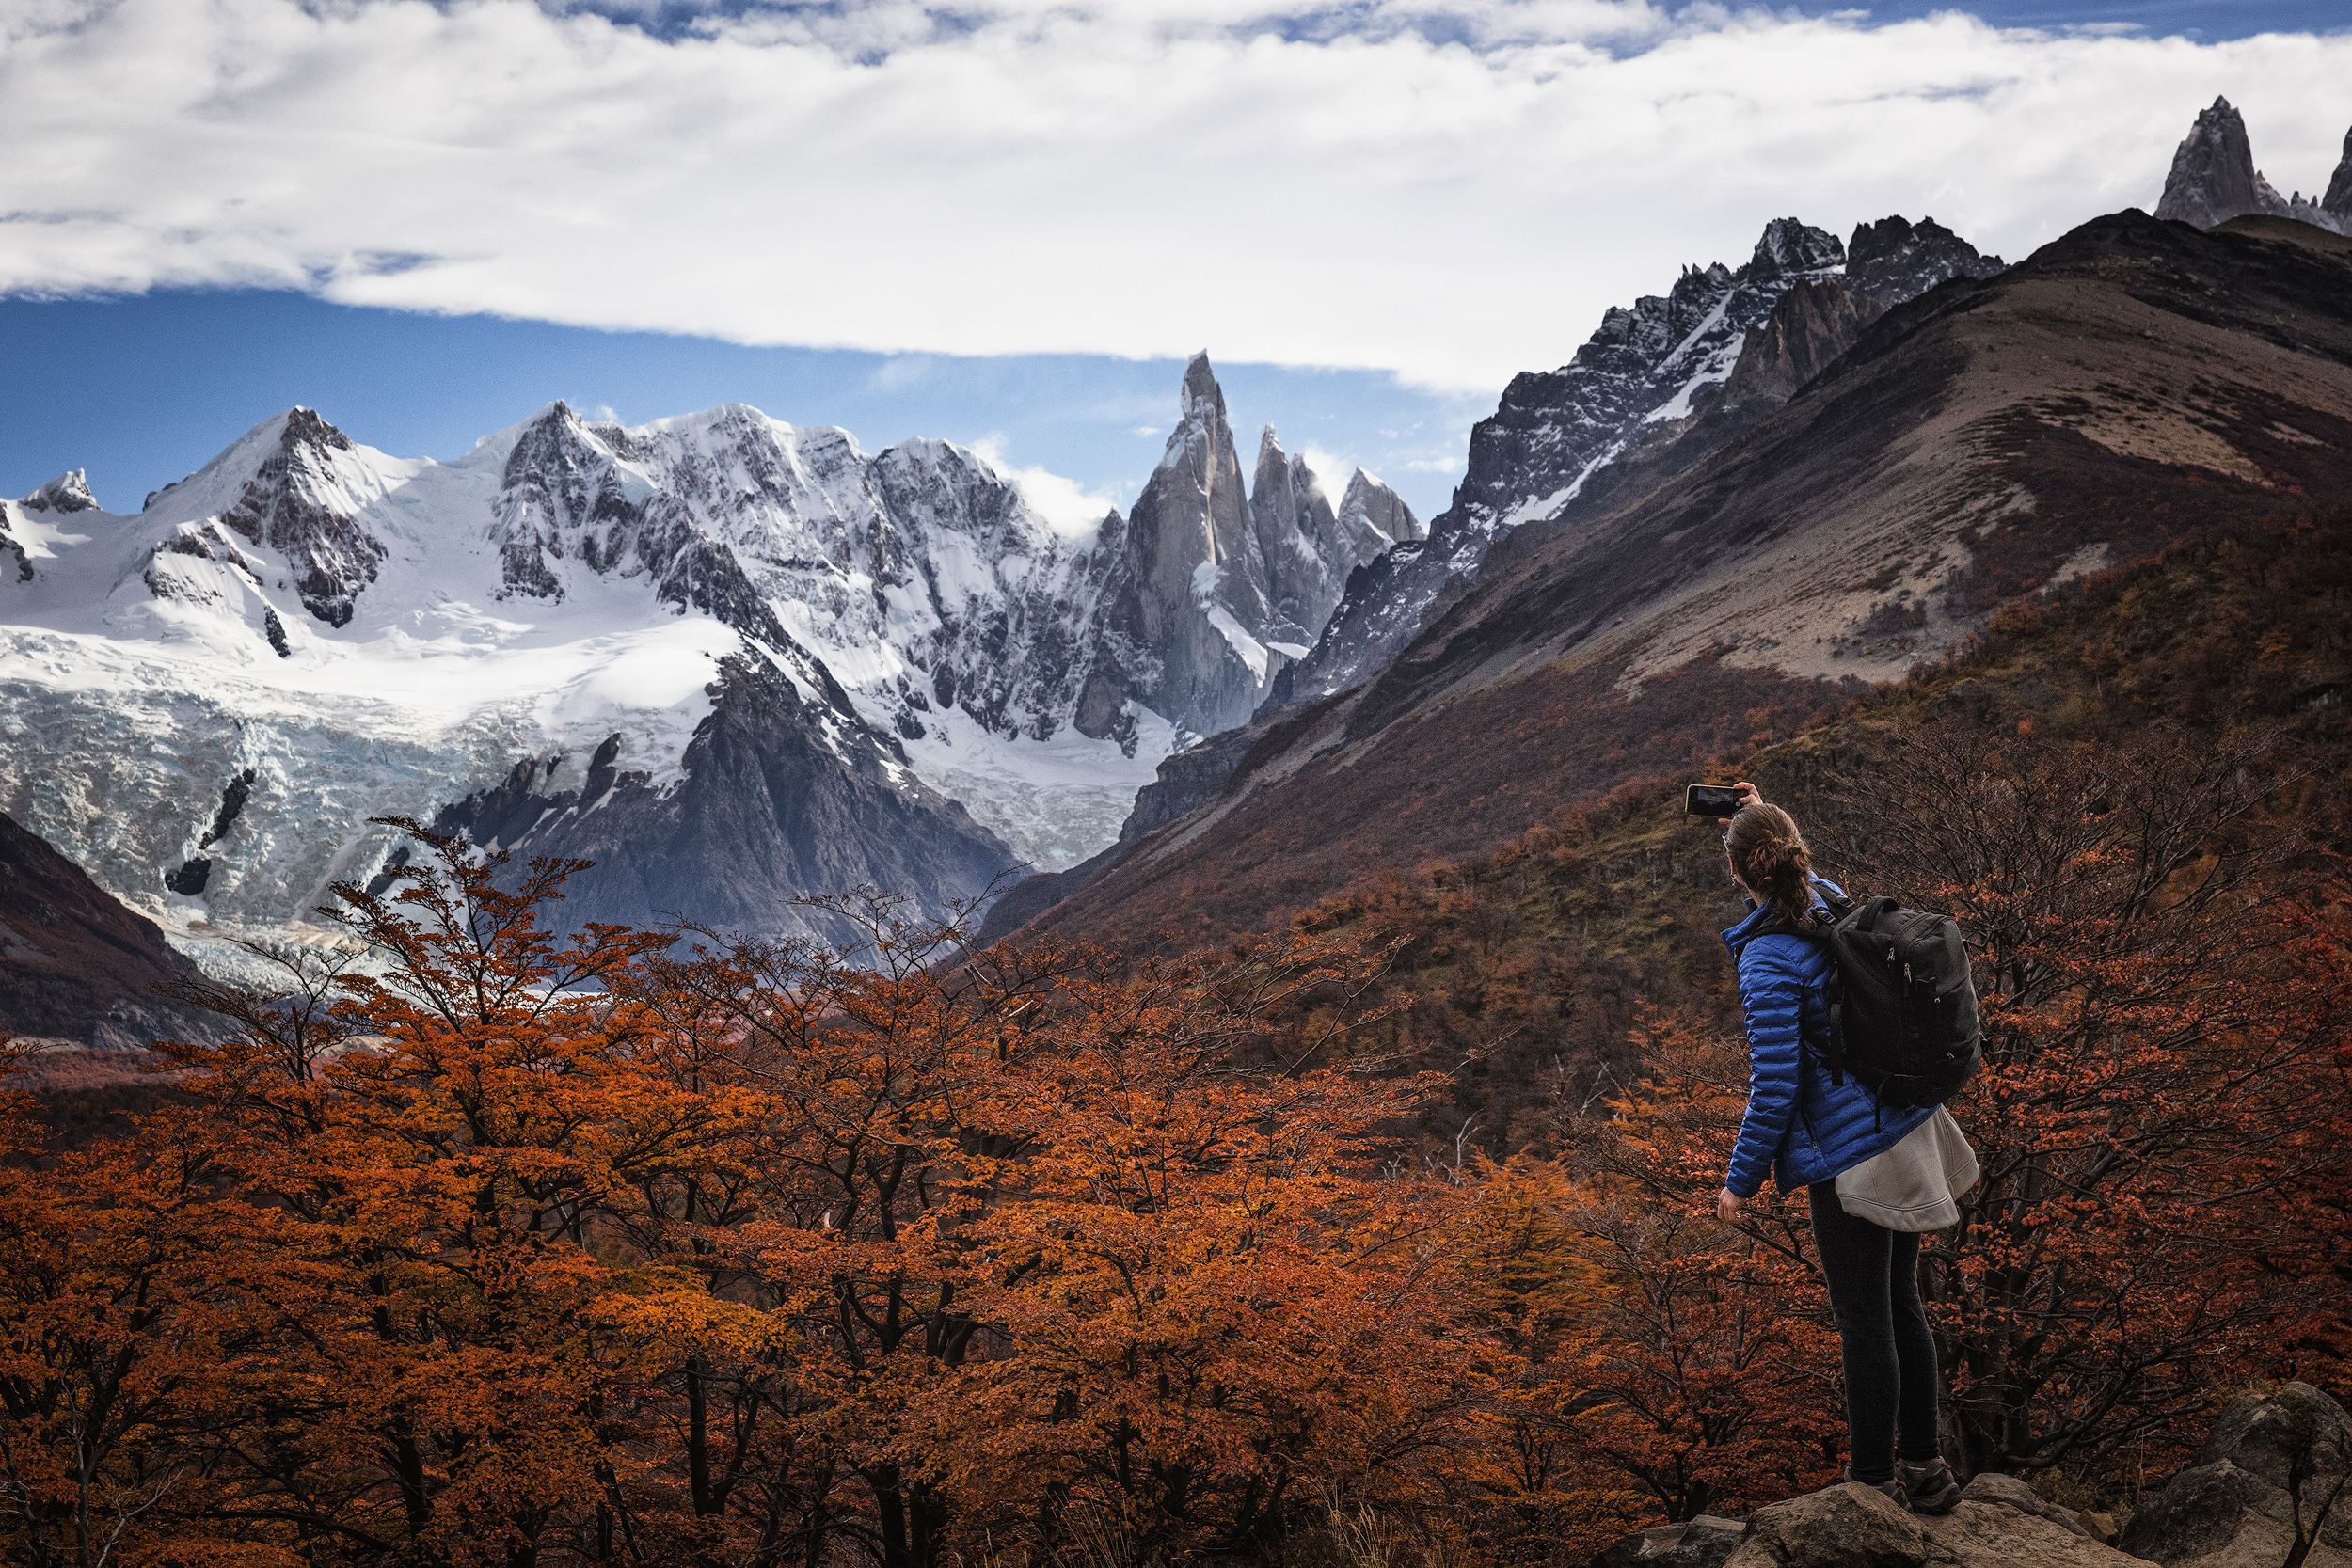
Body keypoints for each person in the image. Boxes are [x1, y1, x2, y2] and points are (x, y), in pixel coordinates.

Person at [1709, 781, 1963, 1514]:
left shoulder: (1765, 959)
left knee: (1863, 1319)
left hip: (1851, 1155)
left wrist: (1739, 1182)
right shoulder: (1828, 902)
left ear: (1738, 872)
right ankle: (1926, 1469)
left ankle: (1873, 1482)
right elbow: (1794, 873)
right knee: (1902, 1302)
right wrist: (1761, 812)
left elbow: (1776, 1086)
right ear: (1795, 854)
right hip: (1900, 1121)